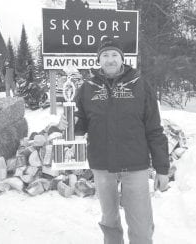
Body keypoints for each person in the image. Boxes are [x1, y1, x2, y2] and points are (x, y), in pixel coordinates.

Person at [59, 36, 170, 244]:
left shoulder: (139, 85)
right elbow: (80, 123)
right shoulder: (87, 88)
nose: (110, 60)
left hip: (135, 165)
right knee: (109, 222)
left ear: (122, 58)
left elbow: (154, 129)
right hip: (102, 165)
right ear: (98, 60)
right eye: (105, 55)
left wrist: (162, 168)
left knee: (141, 225)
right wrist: (68, 124)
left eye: (114, 55)